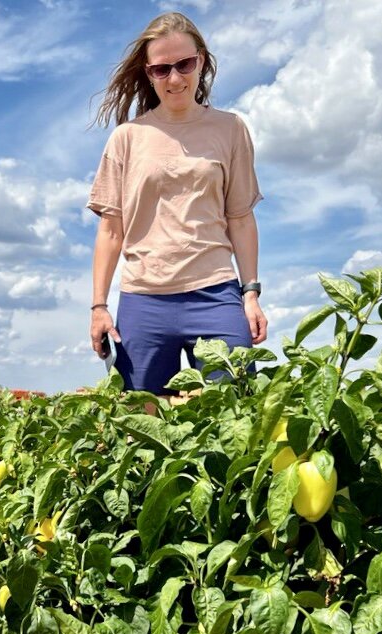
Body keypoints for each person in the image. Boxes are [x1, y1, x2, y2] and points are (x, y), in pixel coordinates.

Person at [87, 11, 266, 396]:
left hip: (216, 293)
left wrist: (249, 293)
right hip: (144, 299)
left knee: (234, 415)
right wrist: (99, 307)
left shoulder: (230, 129)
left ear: (201, 60)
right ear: (148, 73)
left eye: (184, 64)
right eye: (161, 69)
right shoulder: (127, 138)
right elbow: (111, 229)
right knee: (143, 428)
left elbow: (240, 218)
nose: (175, 78)